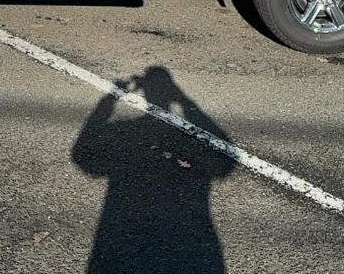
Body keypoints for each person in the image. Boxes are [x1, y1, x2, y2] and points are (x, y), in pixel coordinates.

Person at [72, 66, 234, 274]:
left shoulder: (123, 133)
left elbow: (83, 156)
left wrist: (110, 99)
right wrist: (182, 99)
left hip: (123, 231)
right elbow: (225, 164)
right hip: (190, 236)